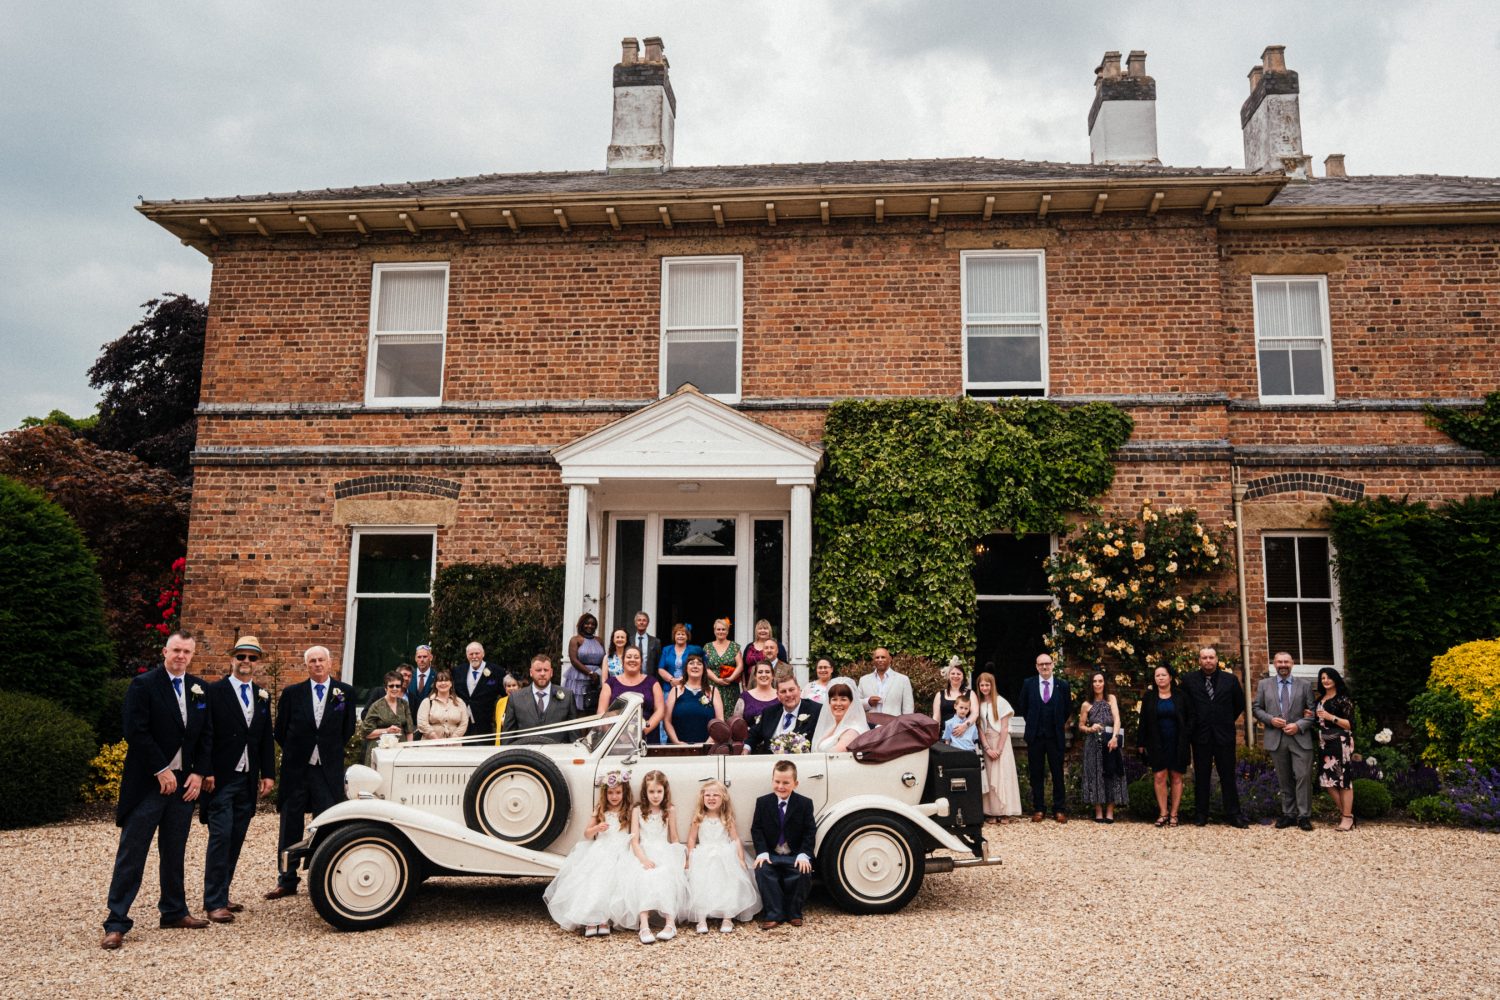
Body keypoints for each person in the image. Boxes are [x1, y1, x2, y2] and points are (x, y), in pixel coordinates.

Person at [100, 630, 213, 950]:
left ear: (192, 655)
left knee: (174, 852)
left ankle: (174, 911)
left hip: (183, 787)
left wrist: (198, 773)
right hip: (148, 785)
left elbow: (206, 736)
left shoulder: (200, 689)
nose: (181, 656)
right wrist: (161, 770)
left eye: (187, 652)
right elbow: (135, 731)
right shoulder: (144, 685)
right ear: (165, 651)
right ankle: (116, 921)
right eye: (176, 650)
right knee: (132, 854)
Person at [266, 645, 355, 900]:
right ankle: (287, 879)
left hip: (327, 770)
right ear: (307, 665)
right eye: (312, 661)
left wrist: (326, 749)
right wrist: (301, 751)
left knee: (327, 822)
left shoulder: (343, 693)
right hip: (297, 768)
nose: (317, 664)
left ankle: (324, 874)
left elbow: (346, 729)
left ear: (330, 663)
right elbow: (281, 730)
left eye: (321, 660)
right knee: (290, 824)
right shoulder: (293, 693)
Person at [199, 636, 275, 924]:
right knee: (221, 836)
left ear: (257, 663)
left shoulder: (262, 695)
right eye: (241, 657)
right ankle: (214, 901)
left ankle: (223, 892)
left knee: (237, 836)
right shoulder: (213, 691)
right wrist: (205, 770)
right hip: (220, 777)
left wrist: (267, 773)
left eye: (252, 658)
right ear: (232, 659)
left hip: (247, 778)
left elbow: (264, 737)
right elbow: (205, 733)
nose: (246, 662)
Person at [543, 771, 634, 936]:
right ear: (605, 794)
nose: (614, 796)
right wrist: (597, 828)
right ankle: (591, 920)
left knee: (611, 884)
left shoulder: (628, 811)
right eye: (611, 793)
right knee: (594, 882)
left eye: (618, 792)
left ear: (624, 792)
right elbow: (587, 833)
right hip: (601, 849)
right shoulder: (600, 809)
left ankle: (604, 920)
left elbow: (633, 834)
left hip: (620, 851)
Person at [1181, 646, 1248, 828]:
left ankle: (1233, 814)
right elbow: (1185, 707)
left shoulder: (1230, 680)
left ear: (1217, 659)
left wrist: (1224, 720)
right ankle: (1201, 814)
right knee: (1201, 776)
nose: (1208, 661)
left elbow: (1239, 704)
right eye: (1204, 658)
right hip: (1200, 736)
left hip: (1224, 736)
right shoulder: (1189, 680)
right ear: (1199, 660)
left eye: (1211, 657)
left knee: (1227, 775)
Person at [1252, 651, 1317, 831]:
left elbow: (1312, 713)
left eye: (1286, 662)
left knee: (1303, 776)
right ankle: (1289, 814)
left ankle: (1304, 815)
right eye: (1279, 662)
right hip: (1276, 738)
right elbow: (1257, 708)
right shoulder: (1265, 685)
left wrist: (1299, 725)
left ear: (1292, 664)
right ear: (1274, 664)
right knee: (1284, 778)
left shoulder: (1304, 685)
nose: (1283, 665)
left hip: (1300, 738)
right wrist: (1270, 720)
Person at [685, 780, 759, 933]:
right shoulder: (699, 817)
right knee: (701, 884)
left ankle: (727, 917)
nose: (711, 798)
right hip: (703, 854)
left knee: (728, 883)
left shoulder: (727, 817)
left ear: (723, 798)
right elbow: (692, 838)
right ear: (702, 798)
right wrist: (689, 857)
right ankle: (701, 919)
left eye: (716, 795)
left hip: (725, 854)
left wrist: (740, 858)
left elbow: (735, 839)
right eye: (708, 795)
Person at [624, 770, 688, 943]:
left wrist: (679, 859)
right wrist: (643, 859)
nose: (655, 796)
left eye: (659, 791)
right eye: (651, 791)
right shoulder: (637, 810)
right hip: (642, 852)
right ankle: (644, 925)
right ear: (645, 792)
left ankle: (670, 923)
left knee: (666, 875)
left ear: (665, 791)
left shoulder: (669, 809)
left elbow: (674, 837)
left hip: (664, 851)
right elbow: (634, 840)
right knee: (643, 876)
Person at [751, 761, 815, 929]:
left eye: (786, 782)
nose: (781, 786)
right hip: (771, 853)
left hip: (794, 854)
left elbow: (810, 831)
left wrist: (804, 854)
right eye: (777, 781)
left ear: (795, 783)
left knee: (803, 871)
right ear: (772, 781)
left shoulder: (804, 803)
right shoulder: (763, 802)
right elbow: (756, 829)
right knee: (763, 870)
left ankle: (794, 912)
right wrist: (762, 852)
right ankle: (774, 914)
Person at [1017, 652, 1071, 822]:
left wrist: (1055, 723)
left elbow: (1067, 710)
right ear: (1036, 666)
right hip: (1036, 737)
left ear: (1053, 664)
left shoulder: (1062, 685)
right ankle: (1039, 808)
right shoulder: (1029, 684)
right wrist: (1034, 724)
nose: (1045, 667)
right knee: (1036, 774)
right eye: (1041, 664)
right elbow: (1023, 707)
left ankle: (1059, 809)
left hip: (1055, 736)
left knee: (1057, 774)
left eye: (1047, 663)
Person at [1137, 665, 1194, 827]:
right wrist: (1141, 742)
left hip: (1178, 742)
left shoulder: (1181, 696)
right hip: (1156, 742)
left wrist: (1187, 734)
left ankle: (1174, 814)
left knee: (1176, 777)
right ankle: (1163, 812)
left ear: (1170, 677)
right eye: (1157, 675)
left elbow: (1191, 717)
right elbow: (1143, 722)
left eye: (1163, 675)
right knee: (1159, 776)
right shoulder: (1149, 697)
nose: (1160, 678)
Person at [1078, 671, 1128, 822]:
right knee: (1095, 776)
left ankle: (1110, 811)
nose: (1098, 684)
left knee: (1112, 773)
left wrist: (1115, 738)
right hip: (1093, 744)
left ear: (1104, 683)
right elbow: (1081, 725)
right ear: (1091, 684)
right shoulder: (1086, 705)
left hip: (1110, 742)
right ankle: (1098, 810)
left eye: (1100, 681)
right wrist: (1089, 728)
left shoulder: (1111, 699)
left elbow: (1117, 719)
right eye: (1095, 681)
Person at [974, 670, 1021, 822]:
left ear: (992, 685)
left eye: (987, 684)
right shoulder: (978, 704)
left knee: (1003, 775)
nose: (985, 688)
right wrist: (987, 748)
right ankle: (992, 812)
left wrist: (999, 750)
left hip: (1001, 742)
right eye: (982, 685)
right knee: (988, 776)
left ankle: (1005, 811)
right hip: (987, 742)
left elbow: (1005, 728)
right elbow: (979, 728)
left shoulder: (1001, 702)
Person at [1315, 667, 1357, 832]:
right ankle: (1347, 815)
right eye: (1323, 678)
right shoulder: (1320, 699)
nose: (1325, 680)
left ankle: (1346, 817)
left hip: (1340, 743)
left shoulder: (1343, 699)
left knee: (1343, 780)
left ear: (1335, 679)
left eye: (1329, 677)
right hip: (1324, 743)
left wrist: (1330, 717)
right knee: (1327, 780)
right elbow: (1320, 722)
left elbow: (1351, 724)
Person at [502, 653, 577, 745]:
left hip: (557, 754)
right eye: (538, 670)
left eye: (546, 670)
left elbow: (574, 732)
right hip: (526, 755)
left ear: (551, 672)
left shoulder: (567, 696)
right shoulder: (516, 698)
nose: (542, 673)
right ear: (531, 672)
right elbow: (508, 734)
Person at [748, 671, 823, 754]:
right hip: (771, 762)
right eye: (783, 691)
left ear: (799, 690)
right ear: (778, 696)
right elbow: (753, 734)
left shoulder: (816, 710)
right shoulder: (769, 712)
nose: (788, 694)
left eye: (791, 690)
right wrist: (746, 748)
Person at [600, 646, 664, 741]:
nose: (632, 660)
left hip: (647, 737)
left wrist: (641, 732)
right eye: (629, 657)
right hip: (615, 739)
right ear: (622, 661)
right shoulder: (610, 683)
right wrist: (612, 735)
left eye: (636, 657)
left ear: (641, 662)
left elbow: (660, 710)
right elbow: (602, 712)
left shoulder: (653, 682)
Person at [665, 653, 722, 744]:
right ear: (686, 668)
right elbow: (667, 721)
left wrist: (707, 744)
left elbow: (720, 722)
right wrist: (677, 743)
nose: (695, 666)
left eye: (699, 664)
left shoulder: (713, 691)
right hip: (678, 749)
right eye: (691, 663)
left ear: (704, 669)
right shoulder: (675, 691)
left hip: (706, 749)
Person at [357, 671, 414, 765]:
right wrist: (387, 730)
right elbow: (366, 732)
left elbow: (409, 730)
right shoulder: (376, 706)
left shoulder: (404, 704)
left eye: (397, 686)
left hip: (400, 750)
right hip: (380, 751)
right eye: (391, 686)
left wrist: (409, 749)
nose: (395, 688)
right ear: (385, 687)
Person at [455, 641, 505, 739]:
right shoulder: (458, 671)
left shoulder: (496, 671)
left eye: (477, 653)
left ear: (483, 654)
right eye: (471, 654)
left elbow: (504, 695)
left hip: (486, 722)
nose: (474, 656)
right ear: (467, 655)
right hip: (463, 722)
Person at [809, 677, 868, 752]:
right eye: (834, 699)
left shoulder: (853, 731)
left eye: (843, 699)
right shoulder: (832, 727)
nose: (838, 704)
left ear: (851, 703)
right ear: (829, 702)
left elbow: (835, 756)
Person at [565, 612, 606, 712]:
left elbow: (604, 659)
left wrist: (598, 673)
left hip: (597, 677)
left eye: (593, 624)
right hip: (579, 676)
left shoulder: (599, 640)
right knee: (579, 707)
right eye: (587, 623)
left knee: (594, 706)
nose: (590, 626)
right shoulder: (575, 640)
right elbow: (574, 660)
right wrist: (590, 673)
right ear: (581, 624)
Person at [857, 647, 915, 716]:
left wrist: (905, 725)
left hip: (894, 724)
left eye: (883, 657)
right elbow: (856, 704)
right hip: (869, 724)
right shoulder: (864, 680)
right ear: (873, 660)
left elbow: (908, 709)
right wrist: (868, 702)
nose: (880, 660)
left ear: (890, 659)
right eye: (877, 657)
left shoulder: (903, 680)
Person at [702, 617, 744, 712]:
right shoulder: (707, 647)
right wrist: (717, 679)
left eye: (723, 629)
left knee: (731, 716)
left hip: (730, 687)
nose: (721, 631)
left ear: (727, 631)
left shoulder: (734, 646)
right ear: (714, 631)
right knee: (711, 713)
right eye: (718, 629)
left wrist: (731, 678)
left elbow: (740, 665)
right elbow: (705, 667)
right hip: (712, 686)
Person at [417, 668, 469, 743]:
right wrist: (435, 739)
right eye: (440, 681)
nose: (443, 683)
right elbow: (422, 723)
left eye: (446, 680)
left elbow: (464, 723)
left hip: (454, 745)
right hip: (431, 744)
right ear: (435, 684)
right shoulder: (427, 702)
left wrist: (454, 738)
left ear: (451, 683)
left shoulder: (460, 702)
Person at [735, 660, 781, 729]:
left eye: (767, 672)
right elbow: (736, 723)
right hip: (749, 738)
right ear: (755, 676)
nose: (763, 675)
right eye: (760, 672)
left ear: (773, 675)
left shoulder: (781, 696)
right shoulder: (745, 697)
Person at [933, 658, 978, 727]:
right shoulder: (939, 695)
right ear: (948, 676)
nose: (955, 676)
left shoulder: (971, 694)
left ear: (963, 676)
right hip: (945, 735)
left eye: (958, 674)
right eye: (953, 673)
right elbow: (936, 718)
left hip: (965, 734)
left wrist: (964, 726)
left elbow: (975, 713)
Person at [656, 622, 701, 690]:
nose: (680, 636)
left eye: (683, 634)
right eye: (678, 634)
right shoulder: (667, 649)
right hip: (669, 688)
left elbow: (698, 667)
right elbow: (661, 669)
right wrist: (672, 680)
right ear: (674, 636)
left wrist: (681, 679)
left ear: (687, 636)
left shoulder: (693, 650)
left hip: (688, 687)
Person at [407, 645, 437, 731]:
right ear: (415, 659)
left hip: (430, 724)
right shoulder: (408, 676)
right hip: (410, 724)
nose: (422, 660)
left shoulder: (437, 677)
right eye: (419, 657)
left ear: (430, 658)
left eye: (425, 657)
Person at [630, 610, 662, 677]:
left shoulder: (655, 642)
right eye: (639, 620)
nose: (641, 622)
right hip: (631, 677)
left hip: (649, 679)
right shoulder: (629, 640)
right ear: (635, 623)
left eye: (644, 620)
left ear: (647, 623)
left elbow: (658, 663)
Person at [492, 673, 521, 742]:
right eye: (508, 686)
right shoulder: (500, 702)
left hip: (518, 741)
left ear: (519, 687)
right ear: (505, 688)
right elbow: (497, 724)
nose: (511, 688)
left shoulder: (524, 701)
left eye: (514, 685)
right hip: (502, 741)